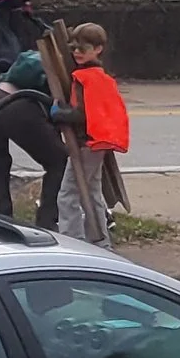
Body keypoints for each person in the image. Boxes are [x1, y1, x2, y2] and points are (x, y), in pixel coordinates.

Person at [0, 44, 64, 229]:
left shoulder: (33, 59)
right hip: (16, 108)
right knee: (59, 161)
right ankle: (48, 221)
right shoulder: (63, 67)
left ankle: (1, 217)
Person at [55, 21, 129, 246]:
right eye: (74, 47)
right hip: (98, 143)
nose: (77, 52)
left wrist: (59, 114)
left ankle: (72, 242)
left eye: (83, 48)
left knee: (68, 195)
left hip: (88, 143)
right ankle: (100, 243)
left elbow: (83, 114)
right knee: (93, 192)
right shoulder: (102, 77)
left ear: (98, 49)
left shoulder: (84, 79)